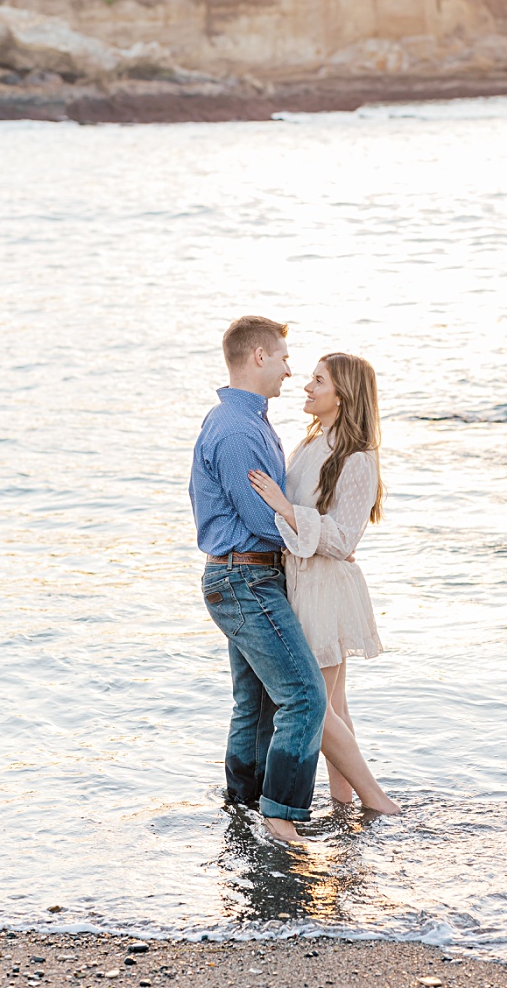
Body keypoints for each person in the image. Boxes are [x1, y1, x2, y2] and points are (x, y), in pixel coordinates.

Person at [189, 316, 327, 844]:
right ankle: (281, 818)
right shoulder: (238, 429)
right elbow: (259, 520)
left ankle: (242, 813)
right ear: (260, 357)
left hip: (240, 580)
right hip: (245, 579)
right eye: (286, 359)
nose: (291, 371)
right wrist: (308, 525)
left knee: (258, 705)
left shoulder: (244, 420)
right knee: (304, 697)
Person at [247, 353, 400, 815]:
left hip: (325, 589)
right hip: (304, 581)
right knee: (333, 704)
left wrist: (286, 508)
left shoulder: (357, 458)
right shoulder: (313, 443)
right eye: (310, 378)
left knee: (320, 707)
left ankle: (378, 800)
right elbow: (326, 533)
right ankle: (344, 803)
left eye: (319, 381)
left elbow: (342, 538)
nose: (307, 387)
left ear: (343, 395)